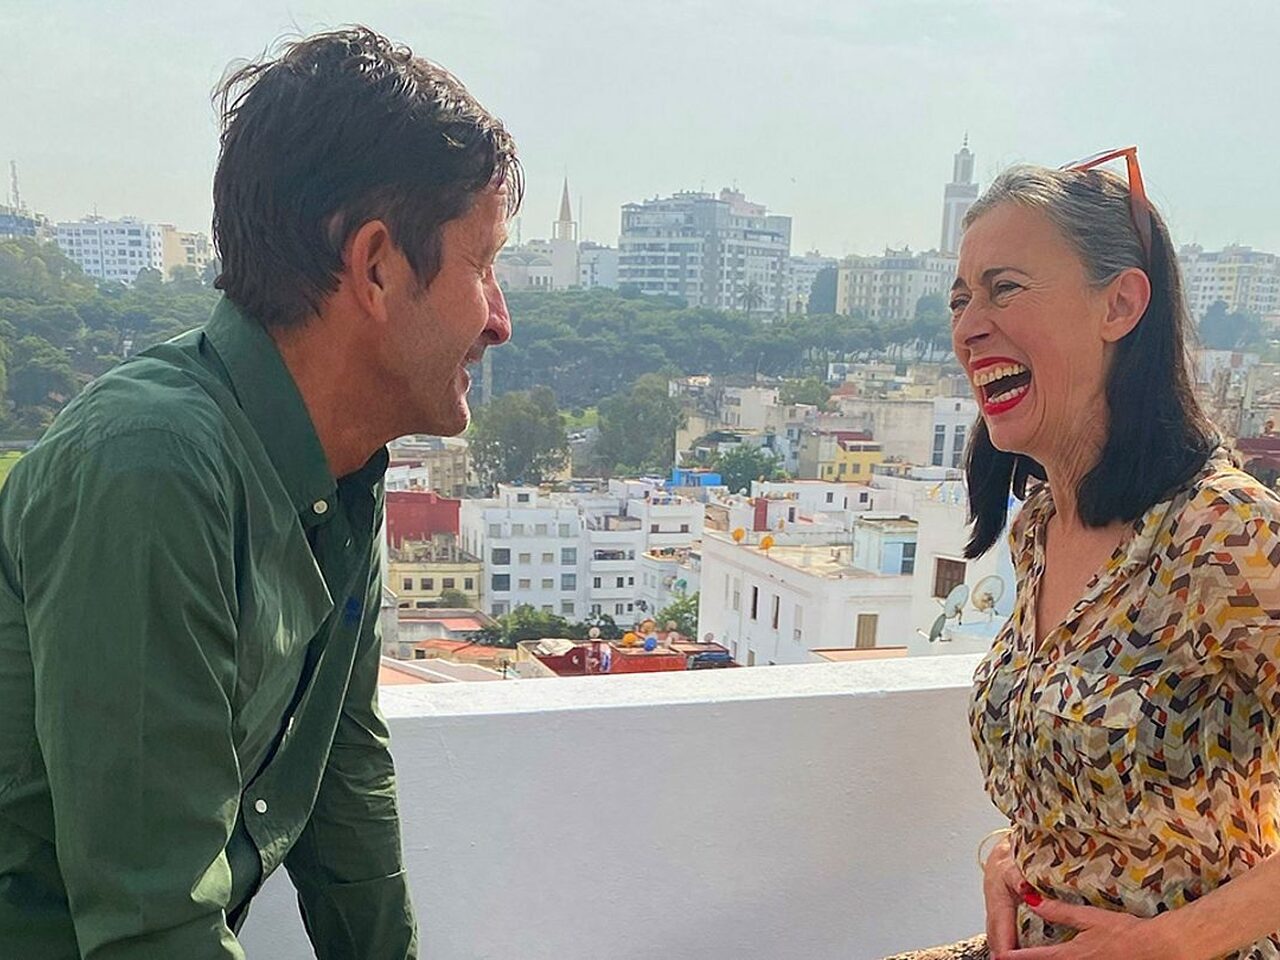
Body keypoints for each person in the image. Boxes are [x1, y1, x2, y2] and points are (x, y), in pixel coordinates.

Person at [0, 27, 520, 959]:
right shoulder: (152, 467)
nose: (500, 320)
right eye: (482, 266)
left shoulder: (340, 468)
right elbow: (155, 927)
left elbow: (344, 783)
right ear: (376, 267)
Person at [958, 151, 1280, 960]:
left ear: (1121, 304)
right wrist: (1013, 852)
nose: (968, 326)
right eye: (961, 299)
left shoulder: (1223, 532)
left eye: (1004, 288)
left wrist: (1174, 941)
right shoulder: (1042, 526)